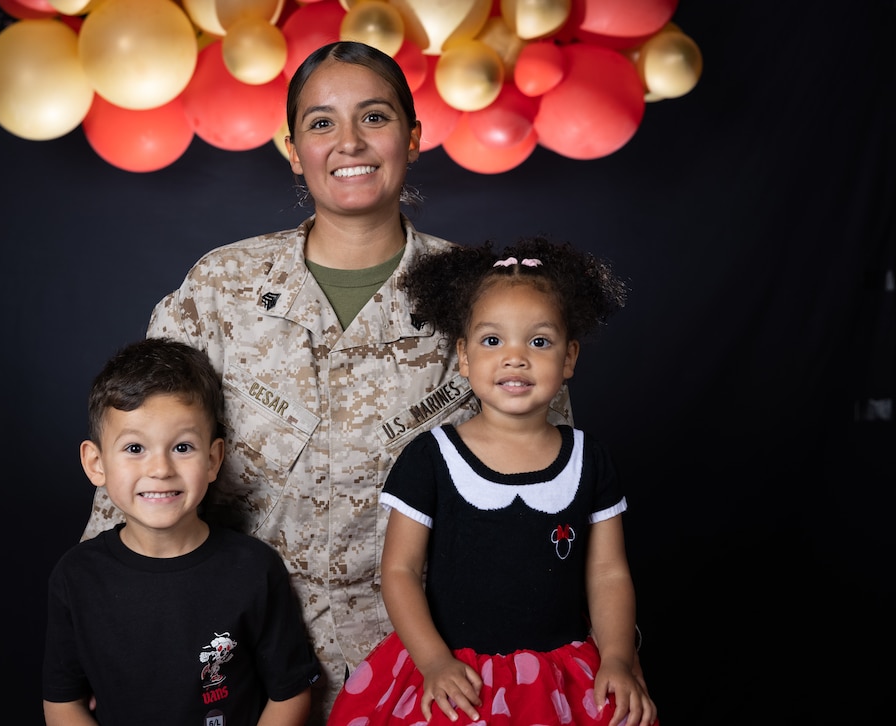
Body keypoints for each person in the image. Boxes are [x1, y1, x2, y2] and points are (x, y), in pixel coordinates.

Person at [79, 41, 573, 722]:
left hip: (427, 669)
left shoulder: (483, 301)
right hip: (234, 661)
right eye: (321, 123)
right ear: (292, 147)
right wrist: (103, 624)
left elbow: (552, 492)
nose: (349, 143)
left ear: (413, 136)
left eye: (374, 117)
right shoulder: (222, 289)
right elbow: (134, 454)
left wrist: (599, 653)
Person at [327, 236, 658, 726]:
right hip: (457, 674)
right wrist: (434, 661)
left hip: (558, 676)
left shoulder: (590, 459)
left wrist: (616, 658)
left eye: (539, 342)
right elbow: (398, 572)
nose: (515, 357)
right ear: (463, 357)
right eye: (492, 340)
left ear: (569, 358)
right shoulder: (432, 458)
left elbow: (608, 573)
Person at [43, 338, 321, 725]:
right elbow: (63, 702)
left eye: (183, 447)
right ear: (96, 463)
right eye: (135, 448)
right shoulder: (77, 577)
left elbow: (290, 694)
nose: (160, 469)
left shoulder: (254, 570)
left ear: (213, 459)